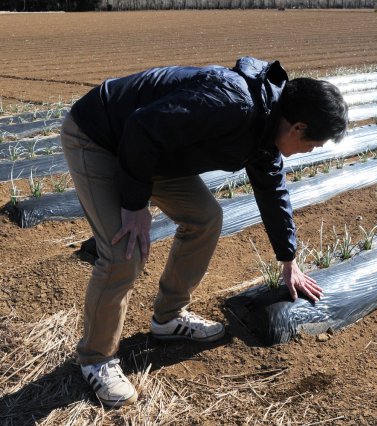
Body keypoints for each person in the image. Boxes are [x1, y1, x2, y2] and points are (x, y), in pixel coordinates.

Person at [61, 56, 348, 408]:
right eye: (313, 144)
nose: (310, 151)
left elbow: (273, 191)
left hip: (154, 151)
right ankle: (96, 359)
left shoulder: (265, 127)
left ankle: (169, 317)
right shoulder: (233, 103)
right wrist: (135, 206)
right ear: (298, 128)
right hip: (101, 135)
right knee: (123, 251)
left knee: (205, 217)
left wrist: (288, 259)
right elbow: (142, 128)